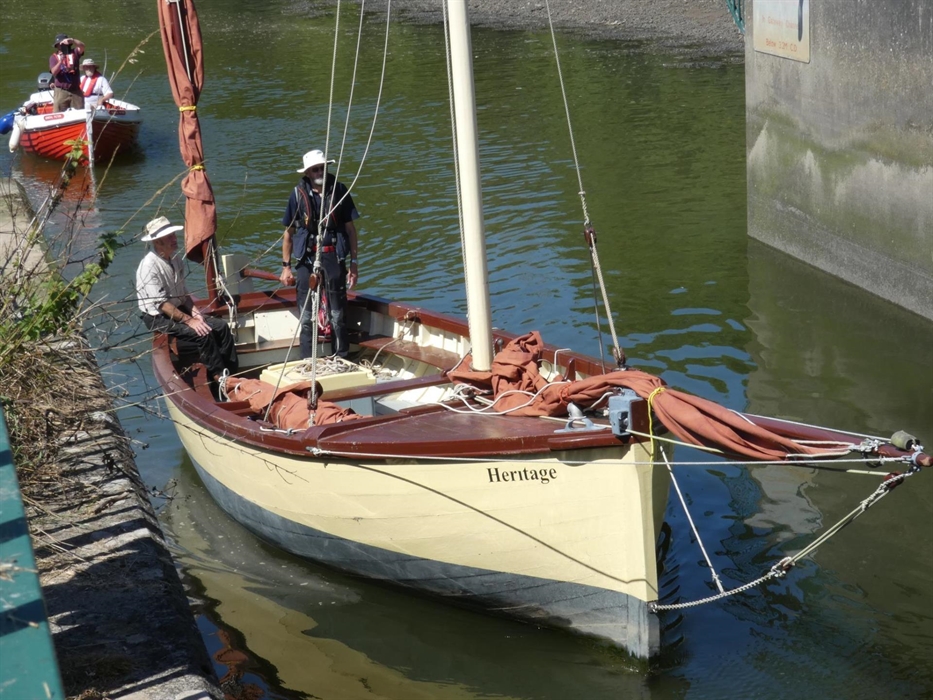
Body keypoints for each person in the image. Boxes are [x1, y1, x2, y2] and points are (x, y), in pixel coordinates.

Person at [136, 216, 238, 382]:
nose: (174, 239)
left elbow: (184, 295)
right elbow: (163, 305)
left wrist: (195, 313)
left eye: (173, 235)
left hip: (177, 307)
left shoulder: (175, 259)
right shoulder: (148, 266)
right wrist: (190, 321)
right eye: (169, 237)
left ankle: (232, 371)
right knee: (203, 334)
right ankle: (219, 377)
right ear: (157, 242)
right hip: (158, 317)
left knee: (221, 327)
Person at [280, 149, 360, 359]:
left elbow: (351, 231)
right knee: (307, 316)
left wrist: (354, 264)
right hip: (307, 260)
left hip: (333, 257)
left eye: (322, 168)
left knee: (337, 315)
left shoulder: (340, 190)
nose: (319, 172)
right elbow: (288, 234)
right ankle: (308, 360)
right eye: (315, 169)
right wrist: (286, 266)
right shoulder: (297, 195)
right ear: (307, 172)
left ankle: (341, 357)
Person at [49, 33, 85, 112]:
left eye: (64, 44)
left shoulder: (74, 53)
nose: (62, 46)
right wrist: (61, 61)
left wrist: (72, 40)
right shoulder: (53, 57)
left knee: (79, 113)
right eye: (60, 45)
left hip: (75, 90)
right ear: (57, 46)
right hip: (61, 91)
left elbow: (82, 46)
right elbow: (54, 72)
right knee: (58, 113)